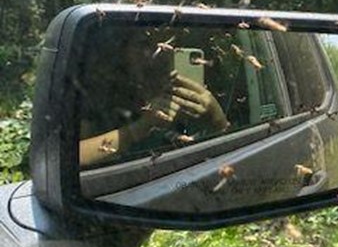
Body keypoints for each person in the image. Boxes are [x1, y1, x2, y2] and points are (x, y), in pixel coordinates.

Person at [79, 27, 228, 168]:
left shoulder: (195, 98)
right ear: (124, 51)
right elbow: (75, 157)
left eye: (169, 45)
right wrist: (140, 128)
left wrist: (217, 118)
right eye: (144, 43)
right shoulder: (103, 99)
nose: (158, 53)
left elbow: (227, 158)